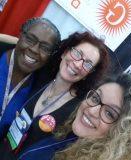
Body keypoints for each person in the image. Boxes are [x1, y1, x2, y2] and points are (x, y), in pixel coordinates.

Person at [0, 31, 110, 160]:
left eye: (88, 64)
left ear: (89, 74)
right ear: (65, 53)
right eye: (77, 53)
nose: (78, 64)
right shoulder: (41, 77)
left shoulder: (78, 109)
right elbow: (23, 48)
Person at [0, 17, 61, 138]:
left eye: (45, 48)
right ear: (21, 35)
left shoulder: (40, 90)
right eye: (30, 39)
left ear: (51, 55)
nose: (34, 49)